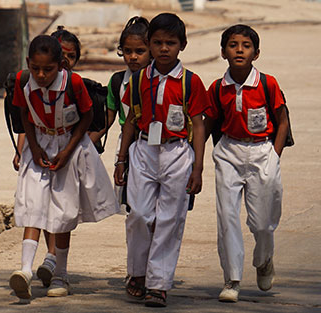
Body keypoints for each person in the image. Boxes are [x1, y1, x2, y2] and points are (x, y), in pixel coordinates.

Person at [9, 35, 119, 300]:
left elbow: (88, 115)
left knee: (62, 212)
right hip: (39, 145)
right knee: (32, 205)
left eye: (48, 69)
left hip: (67, 143)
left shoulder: (74, 83)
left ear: (60, 65)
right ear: (28, 63)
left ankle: (61, 273)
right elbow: (24, 114)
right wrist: (32, 148)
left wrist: (68, 151)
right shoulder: (23, 82)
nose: (41, 74)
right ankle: (24, 270)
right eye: (36, 68)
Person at [114, 13, 209, 307]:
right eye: (157, 42)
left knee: (170, 218)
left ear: (182, 45)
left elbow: (199, 124)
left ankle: (158, 284)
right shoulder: (141, 78)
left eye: (170, 43)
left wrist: (198, 168)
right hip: (143, 151)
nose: (164, 48)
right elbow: (131, 118)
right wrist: (120, 160)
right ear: (149, 44)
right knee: (139, 214)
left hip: (177, 152)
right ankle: (137, 273)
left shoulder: (191, 82)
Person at [204, 24, 288, 303]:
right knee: (227, 217)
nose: (239, 50)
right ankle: (232, 279)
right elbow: (209, 123)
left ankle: (264, 259)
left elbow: (283, 121)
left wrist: (274, 156)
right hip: (229, 152)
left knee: (262, 223)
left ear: (256, 53)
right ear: (223, 52)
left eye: (246, 45)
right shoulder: (218, 88)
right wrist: (194, 158)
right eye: (233, 45)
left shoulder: (268, 83)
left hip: (262, 151)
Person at [104, 16, 151, 211]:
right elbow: (107, 119)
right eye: (127, 51)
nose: (133, 57)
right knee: (132, 207)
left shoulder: (158, 81)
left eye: (140, 51)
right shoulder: (117, 82)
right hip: (128, 145)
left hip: (154, 144)